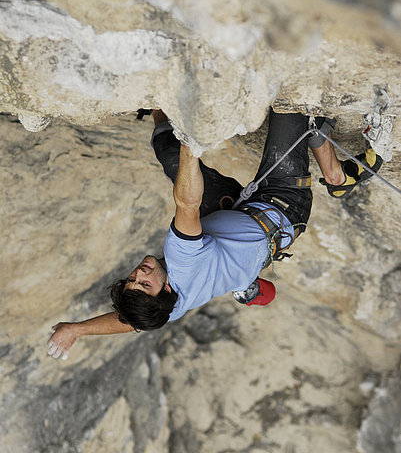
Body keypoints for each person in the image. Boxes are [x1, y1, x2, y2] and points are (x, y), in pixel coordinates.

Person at [47, 108, 382, 360]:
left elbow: (133, 322)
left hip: (232, 218)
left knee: (168, 150)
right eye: (145, 282)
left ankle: (246, 288)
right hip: (282, 206)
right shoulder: (180, 258)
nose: (139, 273)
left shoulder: (166, 307)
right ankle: (337, 177)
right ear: (165, 287)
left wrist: (77, 329)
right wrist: (191, 146)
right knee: (292, 110)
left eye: (131, 280)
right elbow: (187, 203)